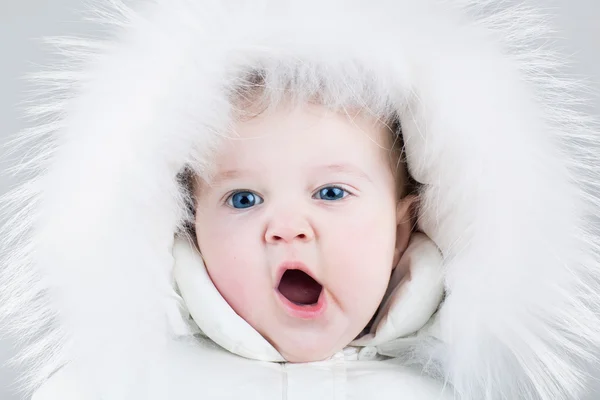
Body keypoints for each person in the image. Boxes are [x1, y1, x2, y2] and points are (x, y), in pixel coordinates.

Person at [1, 1, 599, 400]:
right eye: (242, 199)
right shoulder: (123, 386)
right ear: (188, 227)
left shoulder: (464, 389)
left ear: (401, 228)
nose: (286, 227)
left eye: (332, 192)